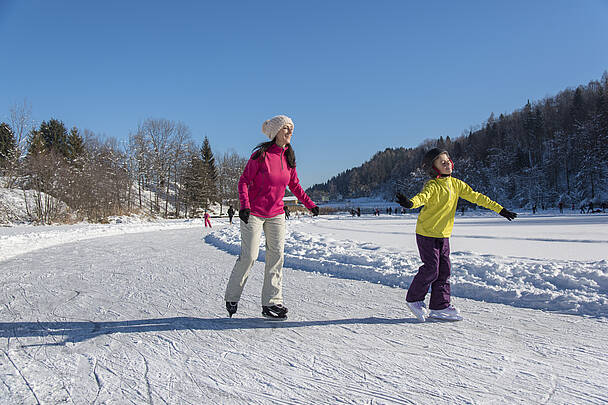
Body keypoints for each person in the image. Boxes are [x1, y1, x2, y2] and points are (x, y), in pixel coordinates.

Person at [396, 148, 517, 322]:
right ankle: (414, 299)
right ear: (434, 168)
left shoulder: (457, 184)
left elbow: (477, 197)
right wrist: (409, 203)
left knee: (444, 271)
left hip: (443, 235)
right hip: (426, 233)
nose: (447, 164)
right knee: (431, 269)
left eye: (448, 161)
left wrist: (500, 209)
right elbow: (422, 198)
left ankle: (440, 306)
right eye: (442, 163)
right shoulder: (433, 185)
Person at [224, 115, 319, 319]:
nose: (290, 132)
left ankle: (271, 303)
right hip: (255, 213)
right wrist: (245, 205)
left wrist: (310, 205)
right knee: (249, 255)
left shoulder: (288, 158)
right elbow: (243, 181)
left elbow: (295, 186)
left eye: (291, 128)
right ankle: (232, 295)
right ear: (276, 132)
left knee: (276, 256)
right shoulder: (261, 155)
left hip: (277, 213)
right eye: (286, 128)